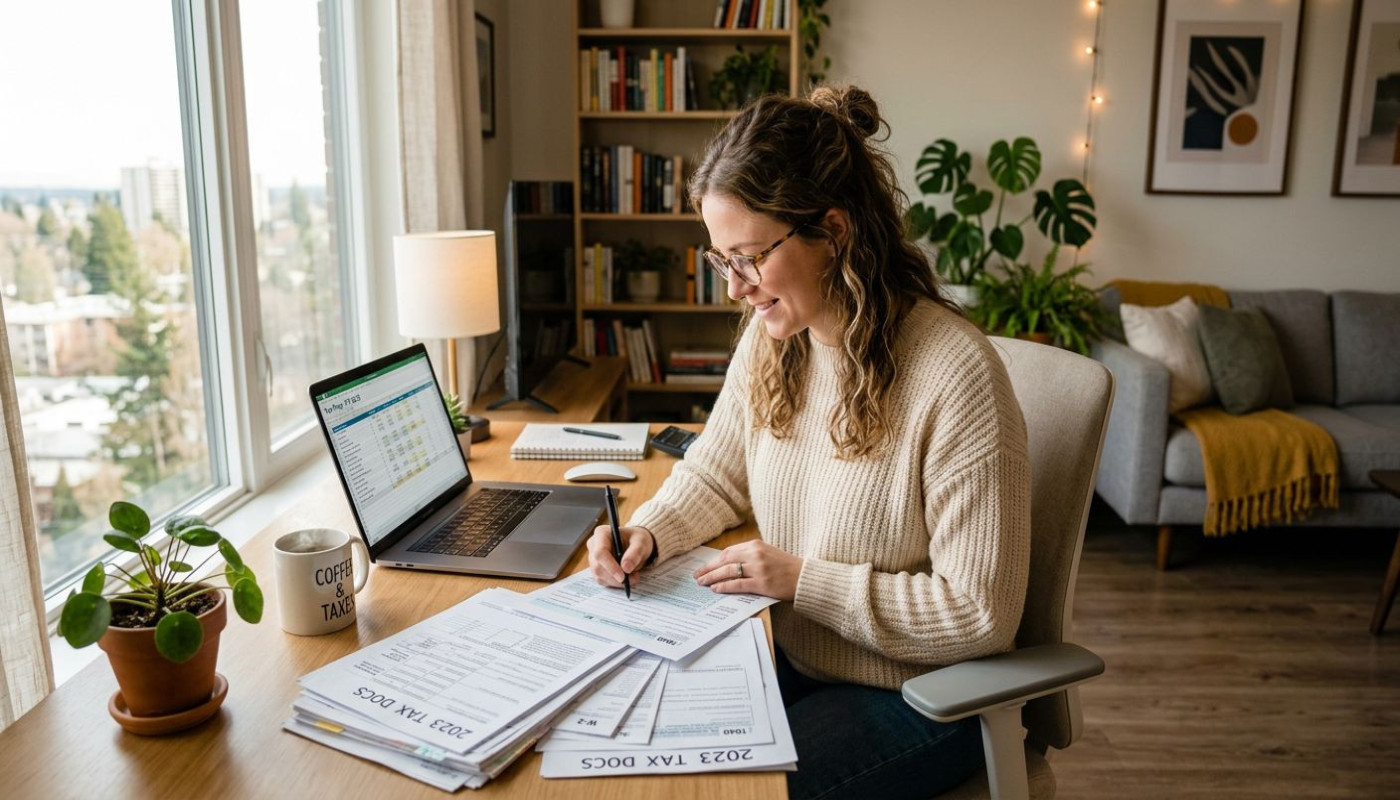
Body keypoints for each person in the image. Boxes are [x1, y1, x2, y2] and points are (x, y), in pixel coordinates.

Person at [586, 85, 1032, 799]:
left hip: (924, 696)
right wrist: (650, 533)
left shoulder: (955, 376)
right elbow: (718, 472)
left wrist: (802, 581)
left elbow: (980, 615)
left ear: (834, 230)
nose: (735, 288)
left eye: (749, 258)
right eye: (721, 260)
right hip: (794, 653)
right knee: (628, 742)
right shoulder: (776, 337)